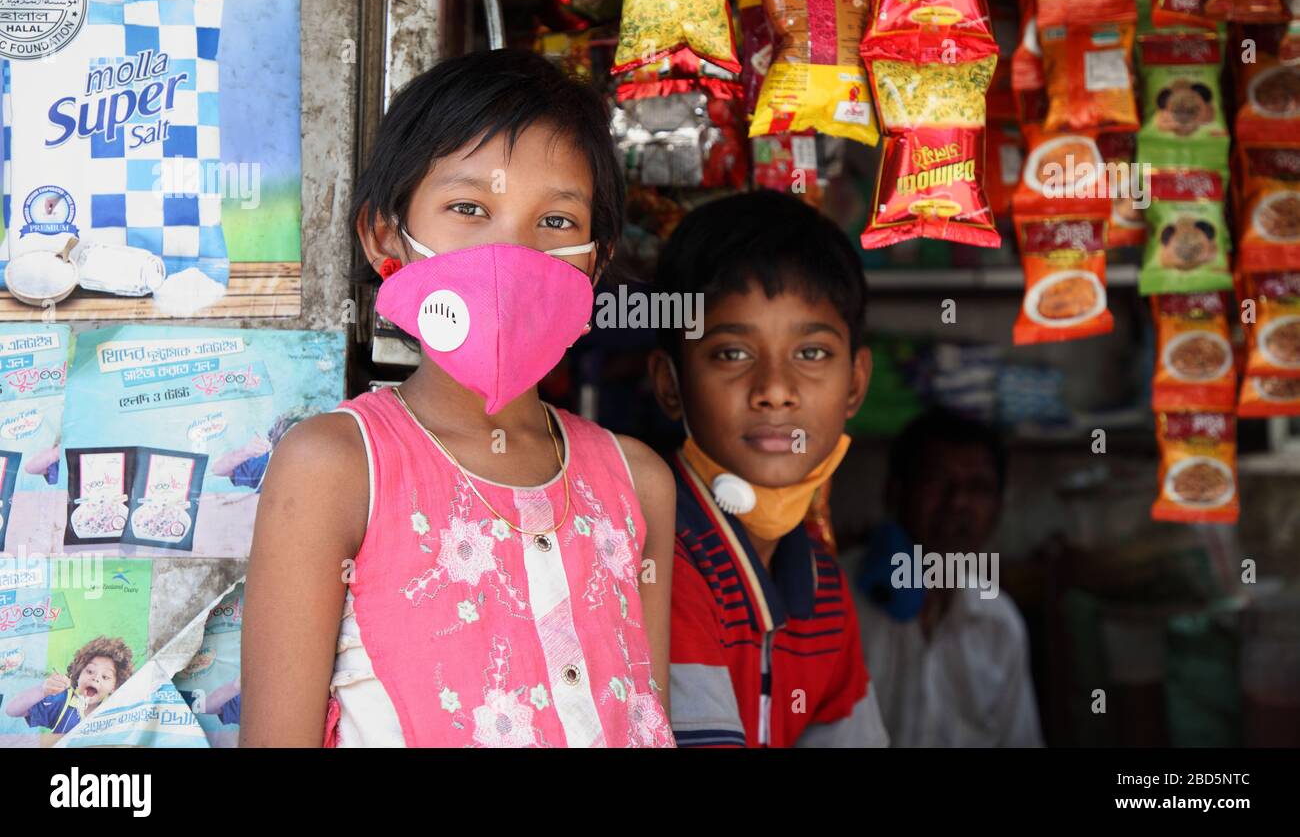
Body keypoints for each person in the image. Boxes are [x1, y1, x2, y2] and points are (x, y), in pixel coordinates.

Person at [241, 49, 676, 748]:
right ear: (387, 237)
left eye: (556, 222)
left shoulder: (637, 481)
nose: (511, 254)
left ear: (595, 263)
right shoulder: (336, 468)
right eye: (469, 208)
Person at [647, 190, 889, 747]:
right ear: (670, 383)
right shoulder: (653, 558)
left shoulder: (823, 588)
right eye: (732, 353)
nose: (776, 391)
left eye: (811, 354)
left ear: (855, 382)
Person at [843, 409, 1044, 747]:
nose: (959, 502)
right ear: (894, 494)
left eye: (978, 488)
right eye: (937, 482)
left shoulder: (999, 624)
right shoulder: (834, 602)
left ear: (998, 507)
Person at [5, 636, 133, 735]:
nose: (95, 678)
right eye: (89, 671)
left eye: (105, 677)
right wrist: (42, 690)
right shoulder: (62, 701)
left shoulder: (115, 713)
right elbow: (12, 710)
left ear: (114, 686)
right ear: (78, 674)